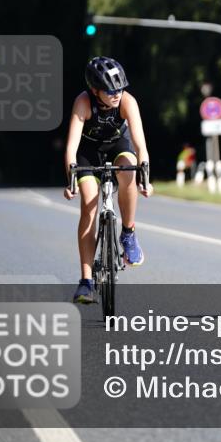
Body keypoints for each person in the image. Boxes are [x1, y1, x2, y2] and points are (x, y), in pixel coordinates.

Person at [63, 56, 153, 304]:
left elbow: (139, 143)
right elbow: (71, 148)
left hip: (117, 147)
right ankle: (86, 281)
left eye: (120, 88)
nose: (116, 94)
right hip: (88, 153)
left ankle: (128, 233)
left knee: (129, 172)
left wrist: (145, 175)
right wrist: (70, 178)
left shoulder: (127, 101)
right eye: (110, 90)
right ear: (94, 90)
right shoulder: (83, 102)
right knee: (89, 206)